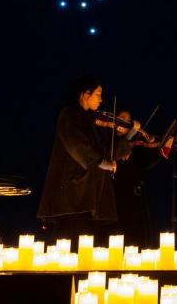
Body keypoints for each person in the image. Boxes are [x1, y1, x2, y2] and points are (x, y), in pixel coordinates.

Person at [37, 75, 129, 241]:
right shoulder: (69, 114)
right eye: (98, 94)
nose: (101, 99)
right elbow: (79, 147)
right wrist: (104, 163)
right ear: (86, 94)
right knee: (71, 242)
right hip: (72, 197)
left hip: (88, 198)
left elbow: (103, 150)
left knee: (88, 243)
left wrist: (123, 137)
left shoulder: (90, 119)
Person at [111, 109, 165, 247]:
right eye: (120, 119)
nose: (122, 123)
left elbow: (144, 164)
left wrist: (160, 151)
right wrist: (129, 136)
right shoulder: (110, 141)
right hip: (115, 199)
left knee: (140, 237)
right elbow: (115, 154)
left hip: (135, 197)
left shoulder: (135, 145)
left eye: (127, 121)